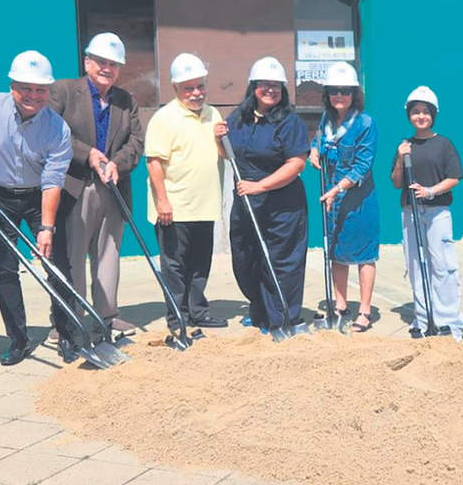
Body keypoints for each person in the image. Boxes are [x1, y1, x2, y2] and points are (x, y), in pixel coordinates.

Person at [0, 51, 73, 366]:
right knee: (5, 269)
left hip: (37, 197)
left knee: (57, 265)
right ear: (12, 86)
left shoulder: (58, 129)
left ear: (49, 91)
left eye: (40, 90)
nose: (33, 95)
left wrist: (46, 228)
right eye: (26, 88)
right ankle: (18, 339)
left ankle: (68, 335)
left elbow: (52, 181)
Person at [48, 32, 145, 342]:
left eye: (114, 64)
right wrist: (87, 154)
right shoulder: (63, 91)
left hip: (112, 187)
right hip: (75, 186)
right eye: (101, 62)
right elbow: (51, 131)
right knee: (72, 256)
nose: (108, 68)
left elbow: (137, 141)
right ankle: (68, 317)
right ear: (87, 61)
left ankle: (107, 314)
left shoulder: (125, 100)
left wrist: (117, 162)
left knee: (108, 253)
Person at [216, 57, 309, 332]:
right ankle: (259, 310)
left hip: (282, 204)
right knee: (246, 258)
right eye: (264, 85)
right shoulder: (239, 118)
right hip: (246, 202)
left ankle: (281, 318)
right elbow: (227, 154)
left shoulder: (289, 122)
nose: (271, 90)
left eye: (276, 86)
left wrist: (261, 186)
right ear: (253, 87)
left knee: (281, 262)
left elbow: (296, 163)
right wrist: (217, 138)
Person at [145, 53, 227, 331]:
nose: (196, 93)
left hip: (205, 205)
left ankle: (198, 312)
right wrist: (162, 202)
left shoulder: (213, 114)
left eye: (200, 86)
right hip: (174, 208)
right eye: (188, 88)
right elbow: (153, 162)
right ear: (175, 89)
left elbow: (224, 155)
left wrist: (221, 138)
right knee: (175, 267)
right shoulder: (163, 118)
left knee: (200, 264)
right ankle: (176, 317)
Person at [389, 86, 463, 340]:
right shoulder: (404, 146)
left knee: (442, 266)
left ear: (433, 115)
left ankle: (449, 323)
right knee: (416, 266)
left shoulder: (443, 144)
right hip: (410, 212)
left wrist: (430, 191)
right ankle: (423, 320)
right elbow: (396, 182)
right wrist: (401, 158)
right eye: (415, 112)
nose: (420, 116)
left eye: (425, 112)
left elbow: (454, 178)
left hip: (437, 213)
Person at [309, 61, 379, 332]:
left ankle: (364, 310)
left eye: (345, 91)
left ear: (355, 94)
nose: (340, 95)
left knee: (364, 255)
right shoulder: (326, 119)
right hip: (332, 199)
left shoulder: (365, 123)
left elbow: (363, 165)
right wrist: (313, 151)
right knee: (336, 253)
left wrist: (337, 189)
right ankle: (340, 305)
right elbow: (319, 141)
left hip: (358, 201)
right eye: (334, 90)